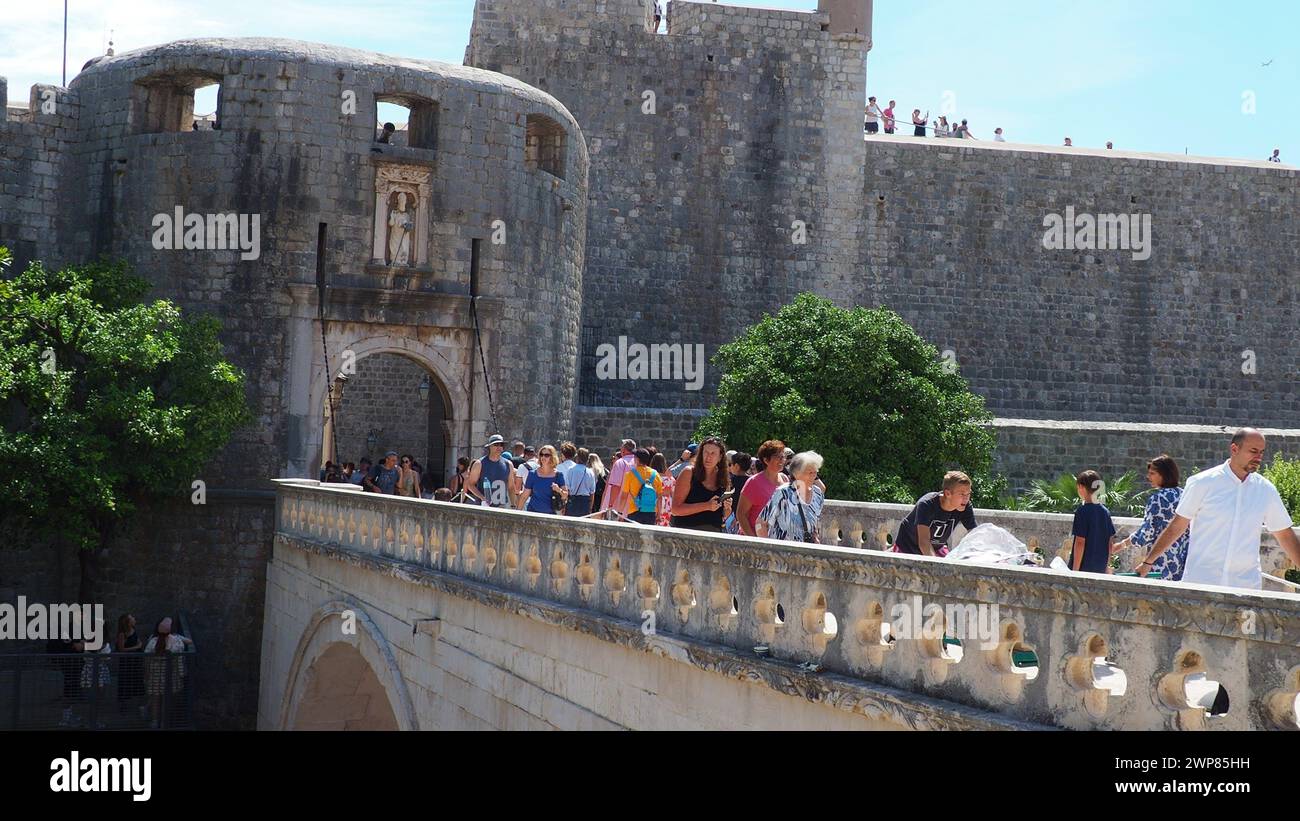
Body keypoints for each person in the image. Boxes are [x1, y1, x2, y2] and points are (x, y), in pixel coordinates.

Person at [1135, 428, 1300, 589]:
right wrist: (1148, 562)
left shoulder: (1266, 490)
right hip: (1202, 583)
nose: (1259, 457)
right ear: (1234, 449)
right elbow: (1177, 525)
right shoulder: (1202, 482)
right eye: (1253, 451)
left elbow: (1285, 534)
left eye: (1262, 452)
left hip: (1246, 586)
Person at [1112, 455, 1188, 580]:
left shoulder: (1157, 498)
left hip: (1161, 562)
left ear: (1164, 474)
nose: (1148, 477)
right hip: (1183, 561)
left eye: (1152, 473)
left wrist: (1121, 545)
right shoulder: (1184, 494)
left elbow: (1147, 532)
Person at [892, 471, 977, 556]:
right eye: (962, 494)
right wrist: (935, 565)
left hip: (936, 547)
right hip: (908, 547)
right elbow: (924, 542)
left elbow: (975, 533)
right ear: (948, 494)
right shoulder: (927, 504)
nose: (966, 498)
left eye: (968, 493)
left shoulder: (965, 506)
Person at [757, 451, 826, 542]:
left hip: (806, 552)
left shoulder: (818, 494)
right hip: (782, 552)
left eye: (815, 472)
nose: (813, 476)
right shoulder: (783, 493)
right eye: (810, 472)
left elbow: (814, 522)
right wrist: (768, 549)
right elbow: (760, 523)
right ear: (797, 473)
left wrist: (815, 538)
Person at [671, 437, 731, 532]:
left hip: (713, 535)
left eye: (713, 453)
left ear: (720, 457)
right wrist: (706, 506)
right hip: (686, 533)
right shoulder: (689, 473)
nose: (708, 457)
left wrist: (727, 508)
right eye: (706, 452)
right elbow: (675, 509)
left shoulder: (723, 478)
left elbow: (724, 515)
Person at [143, 617, 191, 728]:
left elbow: (147, 659)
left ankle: (155, 721)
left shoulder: (152, 641)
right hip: (171, 675)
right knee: (166, 699)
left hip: (155, 674)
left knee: (155, 699)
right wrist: (182, 672)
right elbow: (179, 657)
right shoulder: (176, 641)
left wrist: (146, 673)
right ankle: (164, 721)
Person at [737, 440, 789, 536]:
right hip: (757, 541)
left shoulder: (784, 479)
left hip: (777, 539)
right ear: (766, 460)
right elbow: (741, 514)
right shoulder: (753, 482)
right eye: (778, 457)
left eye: (783, 456)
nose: (782, 460)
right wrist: (754, 540)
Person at [1069, 470, 1117, 574]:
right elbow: (1110, 543)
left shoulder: (1082, 511)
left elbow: (1080, 542)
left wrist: (1075, 571)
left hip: (1084, 568)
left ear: (1081, 487)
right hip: (1100, 568)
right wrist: (1107, 566)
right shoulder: (1105, 512)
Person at [465, 434, 518, 507]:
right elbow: (470, 484)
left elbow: (511, 487)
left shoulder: (508, 464)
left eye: (501, 444)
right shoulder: (479, 464)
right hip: (484, 506)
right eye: (496, 444)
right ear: (490, 446)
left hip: (501, 506)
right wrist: (483, 498)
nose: (499, 447)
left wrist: (513, 505)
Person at [517, 444, 567, 514]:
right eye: (541, 454)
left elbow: (565, 495)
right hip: (533, 513)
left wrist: (558, 490)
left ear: (552, 457)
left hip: (551, 515)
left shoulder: (558, 475)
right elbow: (525, 495)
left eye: (546, 455)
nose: (543, 457)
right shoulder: (532, 474)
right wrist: (517, 513)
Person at [621, 448, 665, 525]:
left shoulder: (630, 474)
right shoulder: (655, 474)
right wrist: (658, 515)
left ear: (637, 459)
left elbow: (624, 496)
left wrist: (620, 513)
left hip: (634, 511)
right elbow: (660, 497)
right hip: (651, 512)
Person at [115, 613, 144, 707]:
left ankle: (138, 705)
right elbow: (121, 649)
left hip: (135, 662)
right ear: (127, 622)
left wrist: (139, 645)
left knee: (137, 682)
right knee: (125, 682)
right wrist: (136, 647)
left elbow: (139, 641)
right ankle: (123, 705)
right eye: (132, 618)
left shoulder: (134, 630)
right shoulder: (122, 634)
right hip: (126, 663)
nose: (134, 619)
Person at [601, 439, 638, 514]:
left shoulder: (620, 463)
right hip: (634, 505)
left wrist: (610, 504)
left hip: (619, 506)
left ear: (623, 450)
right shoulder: (638, 463)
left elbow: (616, 486)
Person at [566, 447, 597, 516]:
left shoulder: (571, 470)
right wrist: (590, 508)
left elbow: (567, 488)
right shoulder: (590, 472)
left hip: (572, 500)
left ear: (577, 457)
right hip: (585, 502)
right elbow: (592, 492)